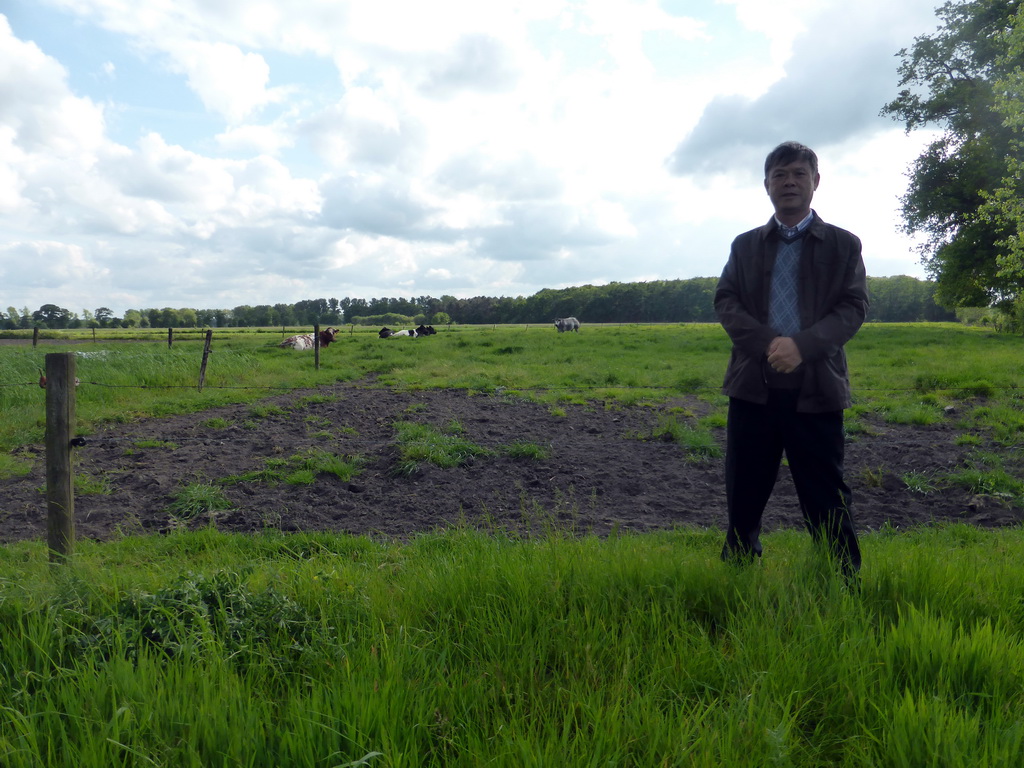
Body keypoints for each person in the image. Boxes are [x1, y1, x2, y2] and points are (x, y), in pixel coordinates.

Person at [714, 141, 868, 576]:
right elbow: (726, 301)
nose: (789, 182)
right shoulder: (745, 246)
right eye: (779, 175)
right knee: (743, 493)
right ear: (766, 186)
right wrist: (768, 343)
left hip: (816, 391)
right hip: (752, 390)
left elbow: (853, 307)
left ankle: (842, 581)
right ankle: (738, 577)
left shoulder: (843, 245)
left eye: (799, 174)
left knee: (827, 496)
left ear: (816, 182)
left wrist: (802, 346)